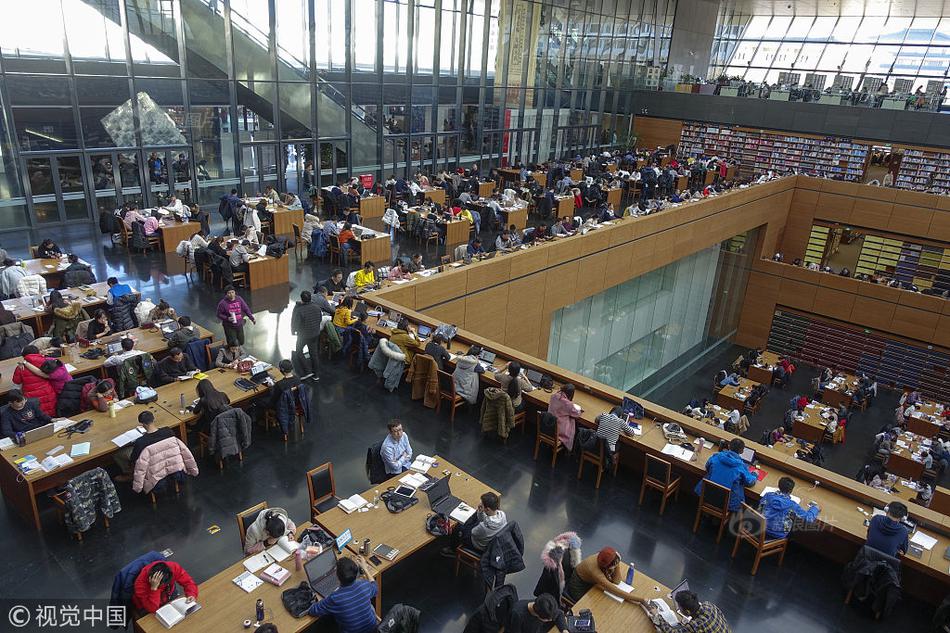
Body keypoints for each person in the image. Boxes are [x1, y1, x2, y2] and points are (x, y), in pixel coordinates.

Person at [307, 556, 378, 633]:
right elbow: (375, 587)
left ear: (337, 576)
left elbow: (313, 611)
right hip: (373, 629)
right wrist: (365, 568)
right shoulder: (364, 585)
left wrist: (321, 597)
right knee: (369, 606)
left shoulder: (335, 598)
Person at [695, 438, 758, 512]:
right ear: (742, 451)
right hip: (727, 503)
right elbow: (749, 482)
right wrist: (755, 474)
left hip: (706, 495)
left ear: (729, 446)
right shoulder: (741, 467)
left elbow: (707, 466)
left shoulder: (716, 456)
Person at [565, 546, 644, 604]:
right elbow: (615, 590)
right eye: (615, 565)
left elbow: (617, 581)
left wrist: (616, 564)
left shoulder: (605, 558)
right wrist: (641, 599)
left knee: (605, 599)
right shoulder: (594, 570)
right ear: (608, 566)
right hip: (579, 587)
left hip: (592, 583)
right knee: (597, 605)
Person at [441, 491, 507, 557]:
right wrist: (480, 512)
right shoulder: (502, 515)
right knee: (474, 516)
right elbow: (484, 520)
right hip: (489, 538)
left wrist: (466, 524)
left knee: (458, 527)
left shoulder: (483, 527)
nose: (480, 504)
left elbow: (473, 533)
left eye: (482, 504)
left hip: (477, 544)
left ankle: (452, 550)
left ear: (487, 509)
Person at [115, 411, 174, 479]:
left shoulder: (141, 441)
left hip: (152, 464)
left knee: (118, 454)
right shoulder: (168, 431)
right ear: (153, 419)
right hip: (168, 459)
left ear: (143, 424)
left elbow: (134, 458)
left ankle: (130, 475)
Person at [646, 590, 731, 633]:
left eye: (679, 606)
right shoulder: (709, 605)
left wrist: (657, 615)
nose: (678, 607)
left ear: (687, 612)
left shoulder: (695, 625)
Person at [132, 561, 198, 614]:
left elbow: (188, 582)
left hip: (169, 593)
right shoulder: (140, 584)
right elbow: (152, 609)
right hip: (148, 602)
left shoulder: (173, 567)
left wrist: (192, 594)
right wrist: (154, 588)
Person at [291, 290, 323, 379]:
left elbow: (296, 324)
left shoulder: (300, 310)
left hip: (303, 335)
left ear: (302, 299)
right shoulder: (317, 307)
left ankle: (307, 371)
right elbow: (320, 319)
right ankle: (316, 375)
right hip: (315, 334)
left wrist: (294, 331)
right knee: (314, 354)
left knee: (299, 351)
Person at [548, 383, 582, 451]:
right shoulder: (568, 404)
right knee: (572, 422)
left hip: (548, 426)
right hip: (558, 430)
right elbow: (577, 414)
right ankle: (569, 451)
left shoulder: (554, 396)